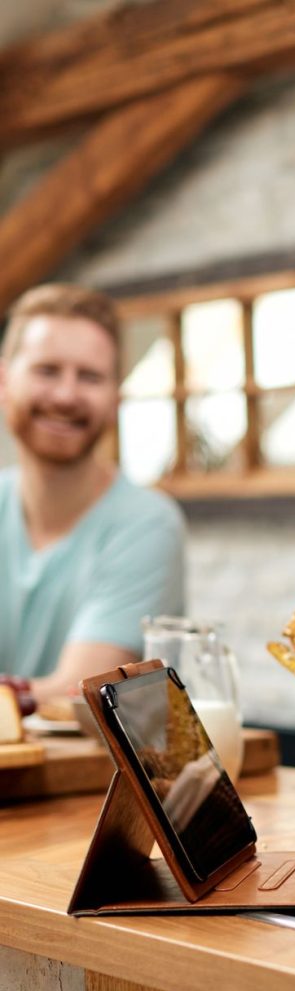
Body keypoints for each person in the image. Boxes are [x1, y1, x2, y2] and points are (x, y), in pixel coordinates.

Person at [0, 283, 186, 706]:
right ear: (4, 382)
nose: (66, 395)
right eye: (47, 370)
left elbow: (82, 692)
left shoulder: (147, 524)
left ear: (115, 397)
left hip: (92, 773)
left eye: (90, 376)